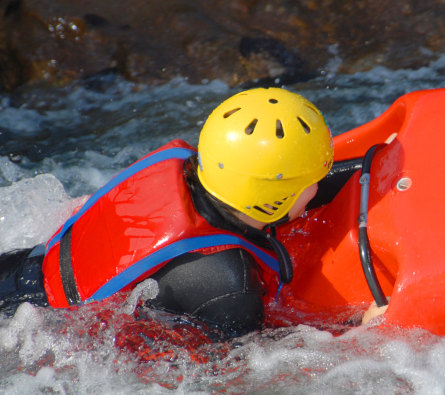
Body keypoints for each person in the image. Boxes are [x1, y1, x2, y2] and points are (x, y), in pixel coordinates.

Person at [0, 87, 334, 339]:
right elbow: (254, 369)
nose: (318, 186)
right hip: (36, 334)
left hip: (20, 271)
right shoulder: (229, 287)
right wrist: (359, 329)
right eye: (313, 181)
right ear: (275, 198)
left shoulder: (186, 168)